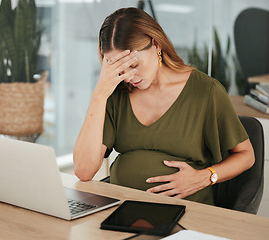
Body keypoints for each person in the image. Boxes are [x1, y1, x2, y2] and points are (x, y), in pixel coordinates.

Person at [73, 7, 255, 205]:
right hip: (119, 208)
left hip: (185, 211)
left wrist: (205, 177)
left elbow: (246, 155)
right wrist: (99, 95)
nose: (129, 77)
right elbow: (84, 170)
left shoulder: (206, 91)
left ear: (156, 45)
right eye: (119, 69)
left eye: (134, 65)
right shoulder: (115, 92)